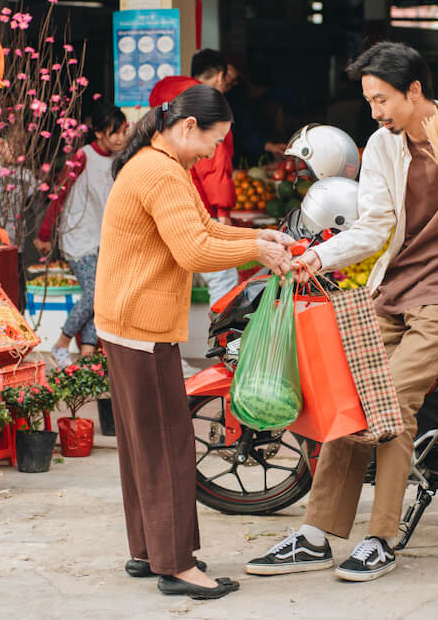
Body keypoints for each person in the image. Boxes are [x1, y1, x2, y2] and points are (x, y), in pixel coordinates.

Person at [246, 41, 438, 582]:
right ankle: (316, 535)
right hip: (398, 286)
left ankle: (381, 538)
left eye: (381, 99)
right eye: (369, 101)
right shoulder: (384, 146)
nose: (375, 112)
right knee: (349, 390)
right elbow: (373, 227)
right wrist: (314, 255)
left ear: (414, 91)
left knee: (390, 399)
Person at [95, 85, 294, 600]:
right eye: (213, 141)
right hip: (141, 326)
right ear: (187, 127)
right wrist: (256, 247)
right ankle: (177, 566)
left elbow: (203, 228)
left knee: (144, 446)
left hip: (127, 322)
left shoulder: (158, 163)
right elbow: (193, 249)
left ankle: (148, 550)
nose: (213, 152)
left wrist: (261, 239)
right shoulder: (160, 172)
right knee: (167, 446)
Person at [150, 49, 241, 378]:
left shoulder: (165, 99)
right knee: (225, 282)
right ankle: (229, 353)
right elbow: (214, 165)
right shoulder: (206, 106)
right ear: (219, 76)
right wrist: (222, 211)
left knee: (173, 282)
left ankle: (169, 361)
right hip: (198, 204)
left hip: (168, 200)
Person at [33, 104, 128, 368]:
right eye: (115, 133)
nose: (121, 138)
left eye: (123, 132)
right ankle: (61, 342)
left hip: (103, 239)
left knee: (102, 295)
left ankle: (87, 351)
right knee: (96, 293)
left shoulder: (120, 161)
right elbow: (59, 195)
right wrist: (44, 233)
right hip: (78, 237)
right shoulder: (82, 157)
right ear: (98, 133)